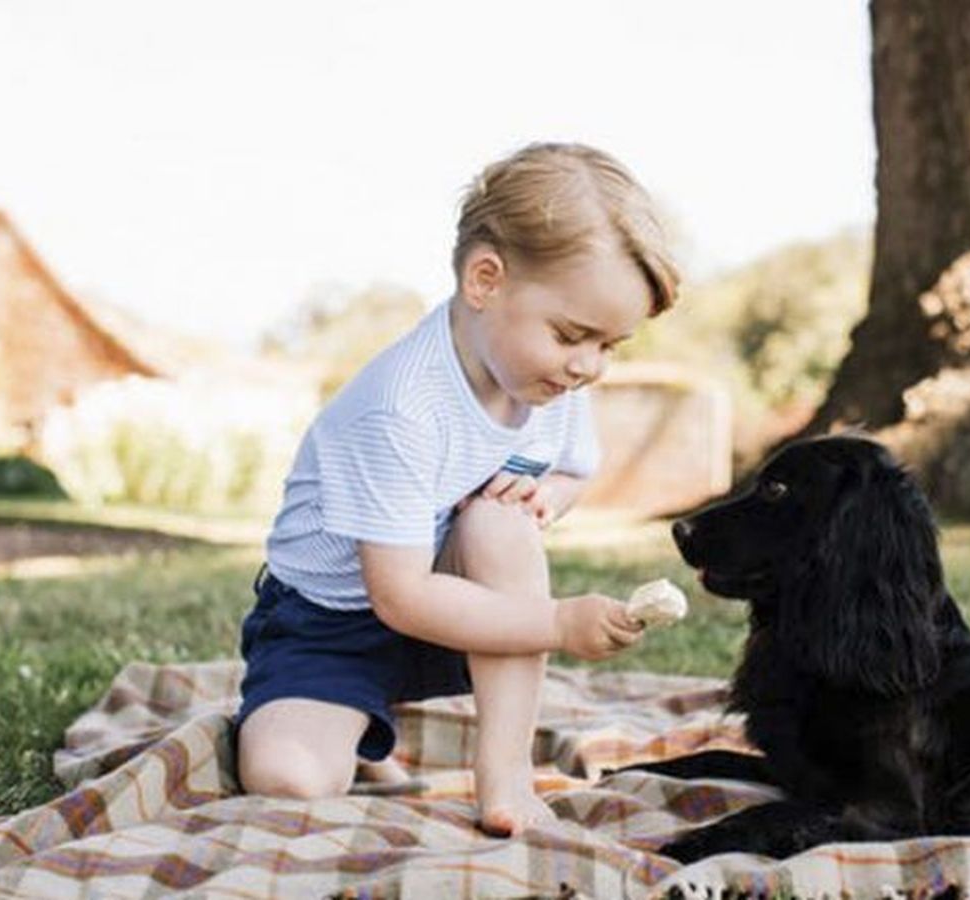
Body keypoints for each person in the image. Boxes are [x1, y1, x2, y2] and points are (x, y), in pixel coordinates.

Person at [234, 142, 681, 837]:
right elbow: (400, 596)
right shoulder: (401, 407)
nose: (588, 365)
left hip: (458, 606)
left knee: (500, 526)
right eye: (573, 335)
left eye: (610, 345)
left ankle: (504, 776)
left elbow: (569, 472)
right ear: (484, 280)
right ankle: (346, 722)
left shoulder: (549, 379)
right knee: (289, 782)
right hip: (332, 623)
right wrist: (560, 623)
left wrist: (544, 500)